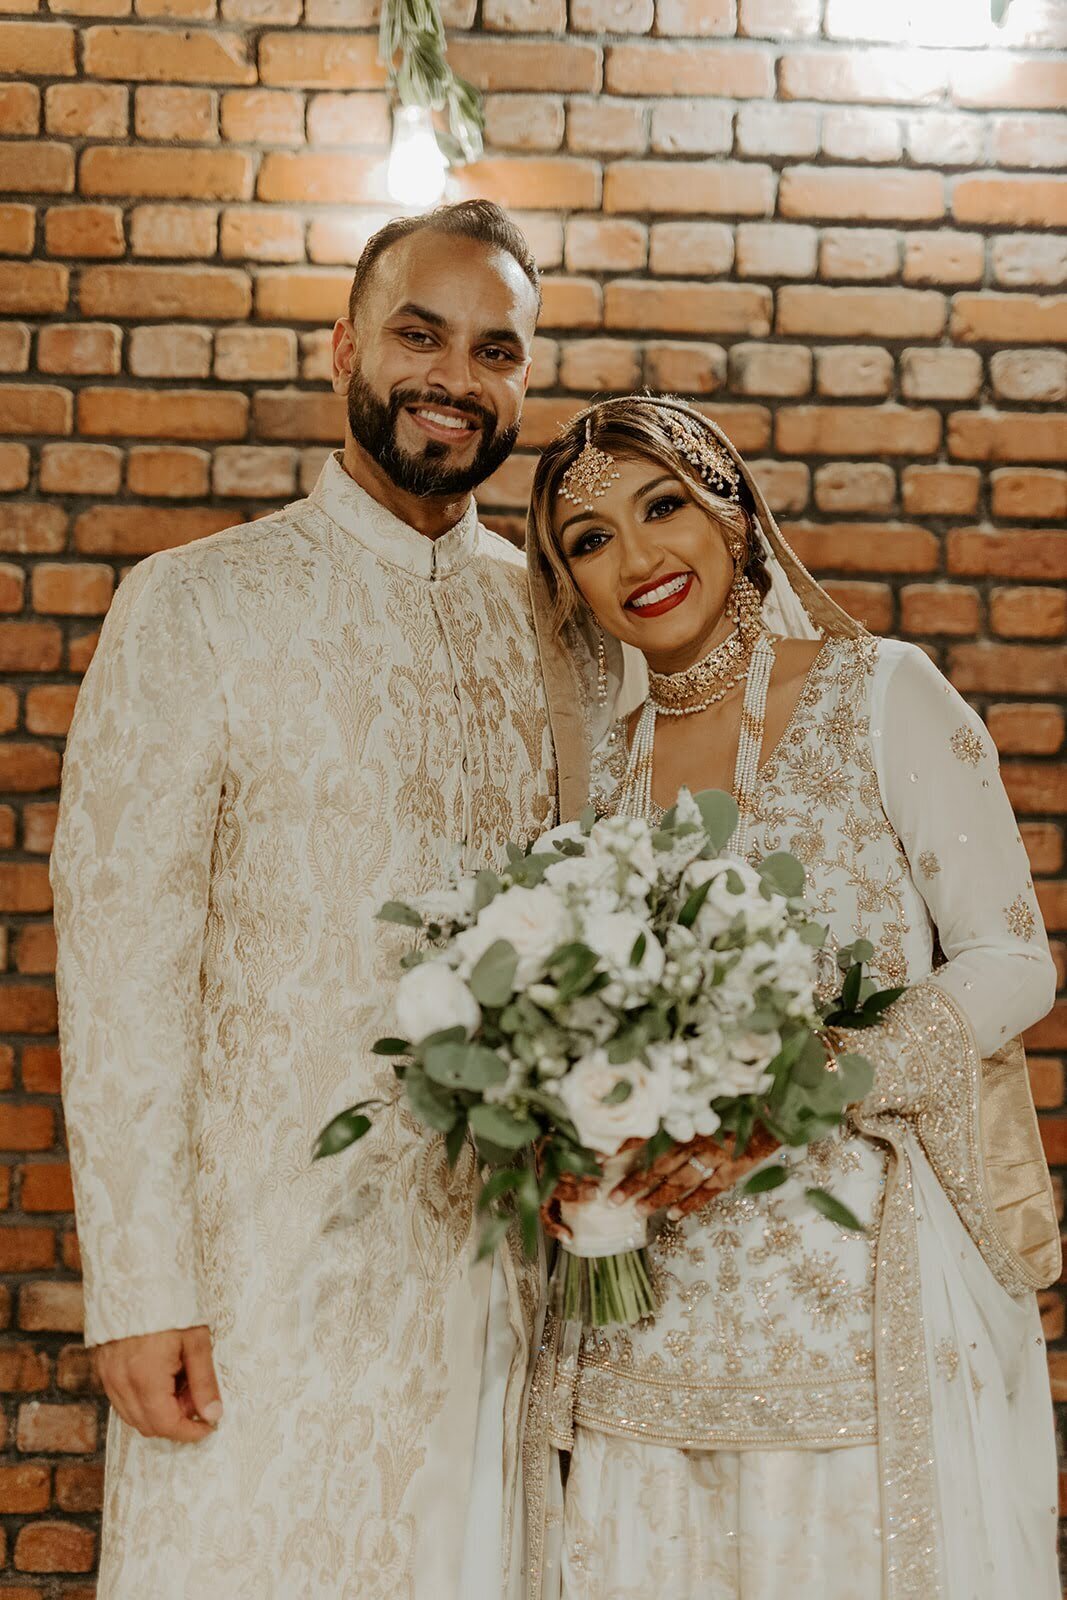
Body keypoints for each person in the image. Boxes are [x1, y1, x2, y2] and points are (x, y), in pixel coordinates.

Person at [50, 199, 555, 1600]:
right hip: (256, 1283)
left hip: (496, 1285)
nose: (455, 376)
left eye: (496, 350)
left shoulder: (549, 631)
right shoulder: (197, 605)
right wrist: (142, 1289)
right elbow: (118, 961)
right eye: (419, 333)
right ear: (344, 346)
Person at [522, 395, 1060, 1600]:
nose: (639, 558)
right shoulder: (602, 768)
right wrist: (565, 1148)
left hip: (854, 1293)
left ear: (730, 507)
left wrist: (799, 1088)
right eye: (590, 538)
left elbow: (1012, 958)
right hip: (645, 1310)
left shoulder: (879, 691)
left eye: (660, 505)